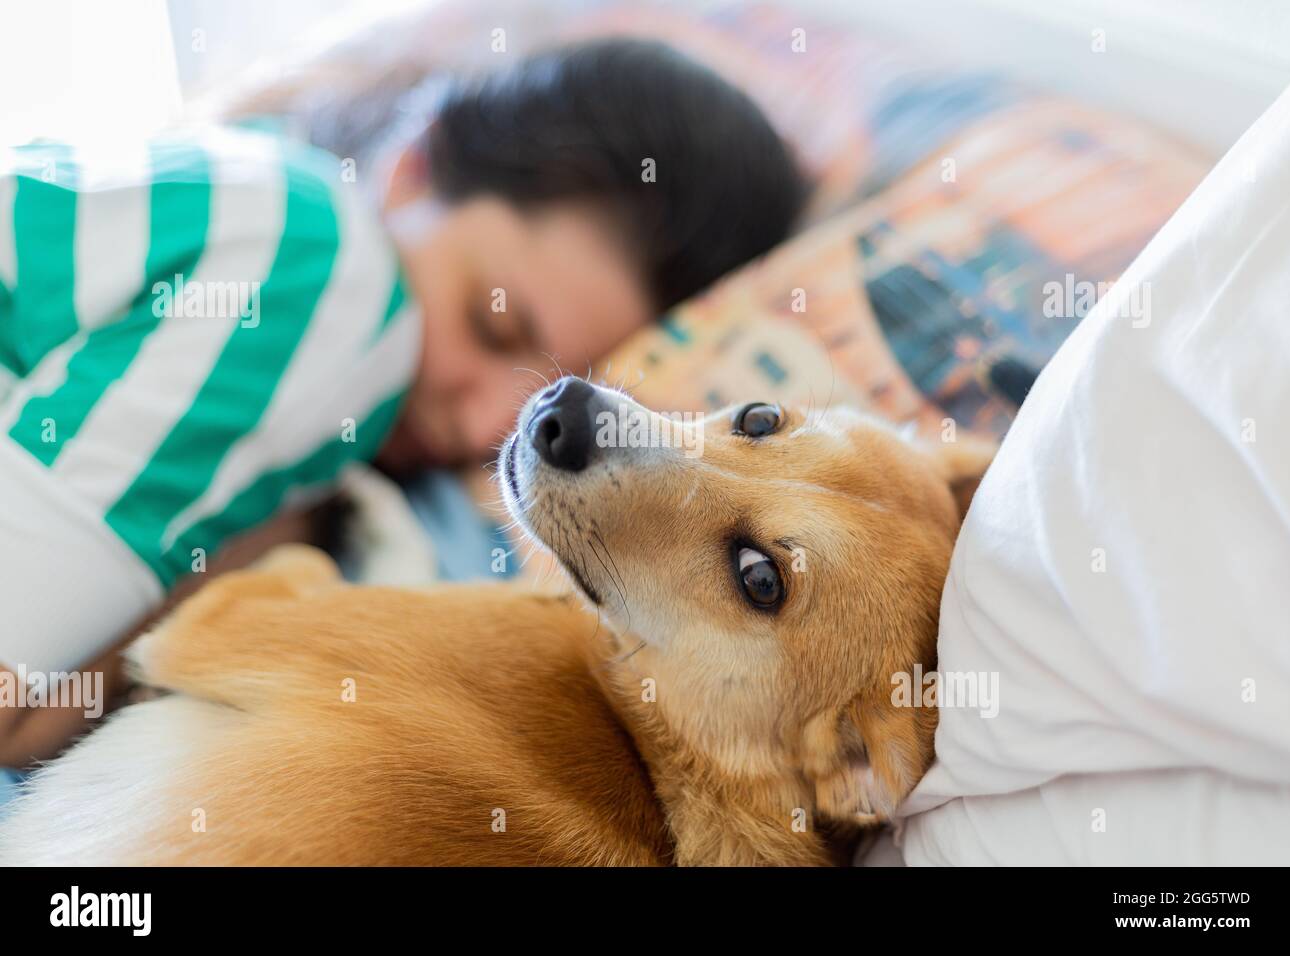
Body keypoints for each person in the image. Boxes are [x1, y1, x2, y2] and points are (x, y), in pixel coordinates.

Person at [0, 38, 807, 767]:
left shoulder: (247, 182)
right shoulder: (325, 276)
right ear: (412, 168)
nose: (489, 426)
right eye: (491, 324)